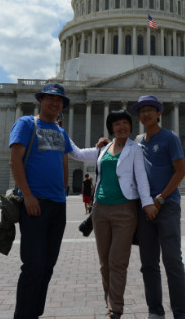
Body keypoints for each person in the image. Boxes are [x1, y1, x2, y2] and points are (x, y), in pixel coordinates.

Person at [68, 109, 157, 319]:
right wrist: (60, 132)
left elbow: (142, 178)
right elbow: (77, 154)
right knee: (104, 262)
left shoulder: (135, 149)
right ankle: (110, 301)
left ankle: (116, 308)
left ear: (130, 126)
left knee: (118, 261)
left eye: (125, 123)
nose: (122, 127)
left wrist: (147, 204)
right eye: (117, 124)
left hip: (124, 210)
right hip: (100, 210)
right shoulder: (104, 148)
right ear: (111, 127)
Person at [8, 83, 78, 319]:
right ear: (41, 101)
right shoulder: (27, 123)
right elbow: (15, 160)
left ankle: (34, 313)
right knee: (33, 265)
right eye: (50, 98)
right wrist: (27, 195)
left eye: (59, 100)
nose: (55, 103)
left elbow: (64, 161)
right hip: (35, 202)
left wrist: (64, 193)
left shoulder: (60, 132)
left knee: (47, 265)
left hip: (57, 205)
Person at [133, 95, 185, 319]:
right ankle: (155, 310)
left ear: (159, 113)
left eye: (151, 109)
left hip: (166, 206)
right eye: (142, 110)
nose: (146, 113)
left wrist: (160, 199)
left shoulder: (170, 138)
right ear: (138, 115)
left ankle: (181, 312)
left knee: (172, 261)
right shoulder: (138, 141)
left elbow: (180, 172)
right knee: (148, 263)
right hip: (144, 207)